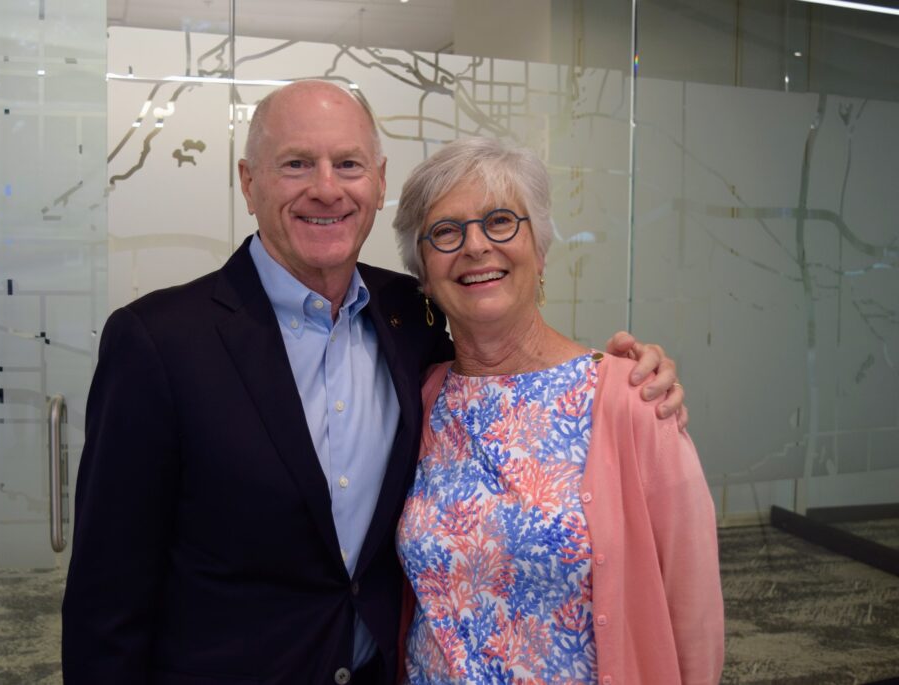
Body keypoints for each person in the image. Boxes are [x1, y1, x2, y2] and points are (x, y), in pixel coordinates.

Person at [61, 81, 685, 685]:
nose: (326, 188)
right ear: (249, 184)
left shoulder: (414, 317)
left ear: (380, 181)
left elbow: (508, 348)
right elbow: (105, 598)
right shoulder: (158, 341)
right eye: (297, 163)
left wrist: (628, 369)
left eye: (349, 164)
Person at [393, 138, 723, 684]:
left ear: (540, 250)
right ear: (423, 275)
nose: (476, 246)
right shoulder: (421, 396)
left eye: (500, 221)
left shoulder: (633, 399)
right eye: (446, 232)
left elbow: (694, 615)